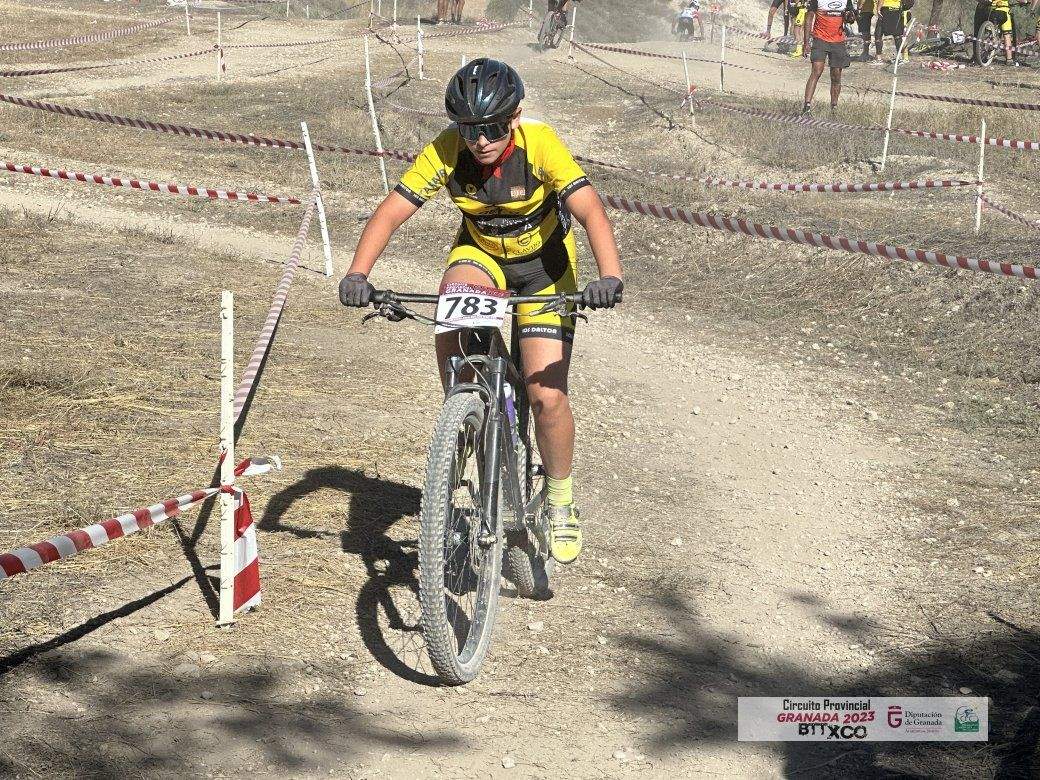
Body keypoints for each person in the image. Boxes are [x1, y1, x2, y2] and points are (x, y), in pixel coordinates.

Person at [339, 59, 625, 565]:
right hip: (482, 256)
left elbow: (590, 210)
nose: (480, 140)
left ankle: (560, 498)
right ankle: (464, 412)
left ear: (515, 117)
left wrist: (610, 276)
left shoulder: (541, 143)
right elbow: (390, 211)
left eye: (492, 127)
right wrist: (358, 274)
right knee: (452, 306)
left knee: (546, 397)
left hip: (544, 269)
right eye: (469, 129)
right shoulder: (448, 149)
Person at [801, 0, 857, 114]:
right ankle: (806, 107)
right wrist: (806, 43)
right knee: (816, 71)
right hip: (820, 39)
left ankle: (834, 108)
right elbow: (808, 19)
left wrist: (851, 17)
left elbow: (850, 19)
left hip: (838, 41)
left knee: (836, 76)